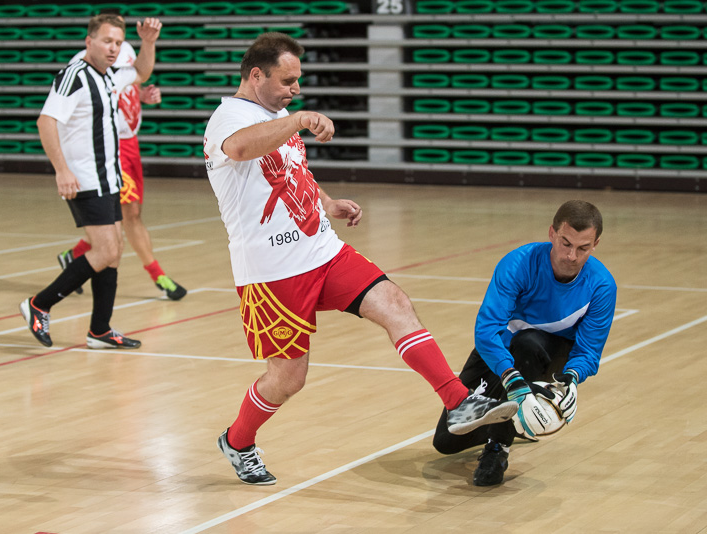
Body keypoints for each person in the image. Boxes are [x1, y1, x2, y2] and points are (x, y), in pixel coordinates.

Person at [202, 32, 518, 486]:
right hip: (272, 273)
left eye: (298, 82)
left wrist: (325, 202)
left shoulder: (278, 115)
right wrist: (298, 121)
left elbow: (293, 172)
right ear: (256, 75)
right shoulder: (228, 118)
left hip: (322, 251)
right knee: (288, 379)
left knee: (394, 303)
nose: (295, 90)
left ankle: (458, 400)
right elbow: (240, 150)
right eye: (287, 81)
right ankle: (237, 440)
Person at [432, 200, 617, 486]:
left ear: (596, 244)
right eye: (566, 243)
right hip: (501, 353)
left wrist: (571, 379)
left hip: (547, 358)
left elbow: (589, 351)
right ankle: (520, 419)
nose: (571, 256)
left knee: (529, 344)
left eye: (583, 248)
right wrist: (510, 377)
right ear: (552, 233)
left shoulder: (602, 285)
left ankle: (497, 447)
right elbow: (486, 332)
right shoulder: (518, 263)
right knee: (447, 440)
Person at [19, 14, 161, 349]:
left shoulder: (109, 74)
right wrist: (61, 170)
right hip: (83, 178)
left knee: (114, 252)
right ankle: (40, 304)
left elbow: (141, 72)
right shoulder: (75, 76)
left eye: (117, 43)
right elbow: (45, 121)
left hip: (108, 177)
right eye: (106, 41)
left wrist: (149, 42)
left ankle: (100, 330)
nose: (113, 49)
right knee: (106, 249)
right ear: (89, 41)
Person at [58, 40, 187, 301]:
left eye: (119, 37)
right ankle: (158, 275)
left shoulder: (126, 50)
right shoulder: (80, 64)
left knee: (129, 213)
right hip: (109, 146)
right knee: (130, 214)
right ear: (92, 37)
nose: (115, 44)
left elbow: (125, 85)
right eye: (109, 38)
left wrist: (141, 96)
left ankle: (76, 254)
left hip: (131, 142)